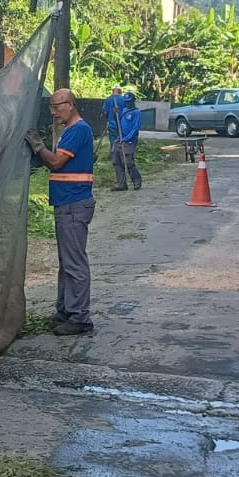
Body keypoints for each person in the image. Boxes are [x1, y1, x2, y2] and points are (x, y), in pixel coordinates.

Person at [25, 88, 96, 336]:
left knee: (74, 261)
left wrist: (38, 147)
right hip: (68, 203)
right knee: (67, 261)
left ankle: (79, 316)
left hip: (74, 204)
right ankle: (66, 309)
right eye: (51, 107)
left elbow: (56, 163)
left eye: (57, 107)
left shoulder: (78, 130)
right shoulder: (71, 131)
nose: (54, 112)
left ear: (70, 104)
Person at [112, 93, 143, 192]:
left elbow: (135, 128)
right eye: (126, 102)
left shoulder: (136, 113)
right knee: (116, 161)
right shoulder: (124, 111)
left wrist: (126, 138)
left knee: (128, 162)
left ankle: (137, 181)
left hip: (129, 141)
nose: (127, 104)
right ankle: (121, 183)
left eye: (129, 102)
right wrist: (115, 113)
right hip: (119, 139)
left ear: (133, 101)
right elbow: (118, 124)